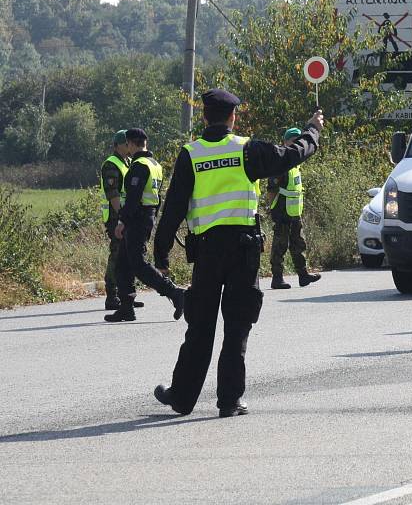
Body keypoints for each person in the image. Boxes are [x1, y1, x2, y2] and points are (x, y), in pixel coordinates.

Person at [152, 89, 322, 417]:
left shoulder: (192, 154)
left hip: (206, 253)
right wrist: (312, 129)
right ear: (233, 117)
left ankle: (182, 397)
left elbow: (173, 208)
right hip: (244, 250)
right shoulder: (248, 149)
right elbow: (291, 155)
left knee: (200, 325)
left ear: (204, 117)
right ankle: (230, 400)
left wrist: (161, 256)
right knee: (237, 324)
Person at [103, 129, 185, 323]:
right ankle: (126, 308)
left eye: (128, 144)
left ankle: (175, 294)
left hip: (136, 218)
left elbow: (132, 198)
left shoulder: (139, 165)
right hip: (147, 216)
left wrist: (122, 222)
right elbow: (158, 198)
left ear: (131, 144)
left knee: (138, 264)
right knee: (123, 264)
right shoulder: (155, 165)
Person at [266, 127, 321, 289]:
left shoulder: (295, 164)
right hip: (282, 211)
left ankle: (303, 275)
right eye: (293, 140)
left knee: (299, 243)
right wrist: (272, 208)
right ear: (285, 142)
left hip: (295, 212)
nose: (297, 143)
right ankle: (277, 278)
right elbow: (272, 189)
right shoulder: (280, 163)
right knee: (280, 245)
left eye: (299, 140)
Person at [100, 130, 134, 311]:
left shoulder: (127, 162)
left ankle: (125, 294)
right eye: (125, 143)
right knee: (117, 254)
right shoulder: (111, 164)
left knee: (127, 256)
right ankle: (111, 295)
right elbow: (112, 194)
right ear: (117, 145)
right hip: (116, 217)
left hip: (125, 216)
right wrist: (122, 217)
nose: (129, 146)